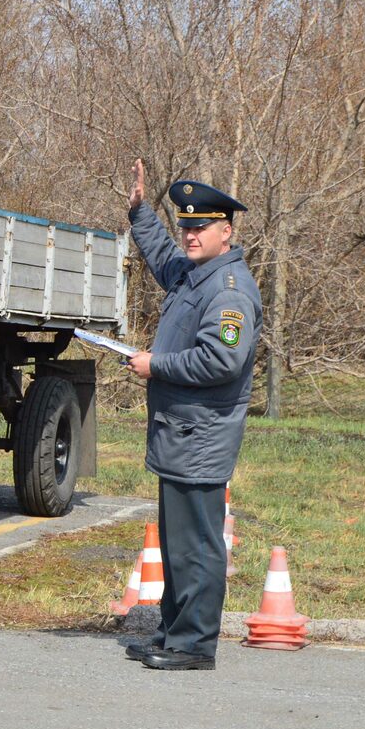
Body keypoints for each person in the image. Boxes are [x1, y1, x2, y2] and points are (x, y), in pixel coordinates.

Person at [122, 159, 261, 671]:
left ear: (226, 231)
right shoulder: (196, 275)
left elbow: (221, 360)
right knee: (178, 543)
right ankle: (173, 632)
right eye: (185, 225)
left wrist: (155, 365)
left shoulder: (230, 292)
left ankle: (194, 644)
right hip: (181, 433)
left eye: (200, 227)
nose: (190, 234)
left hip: (201, 436)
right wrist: (141, 213)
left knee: (197, 546)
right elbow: (162, 257)